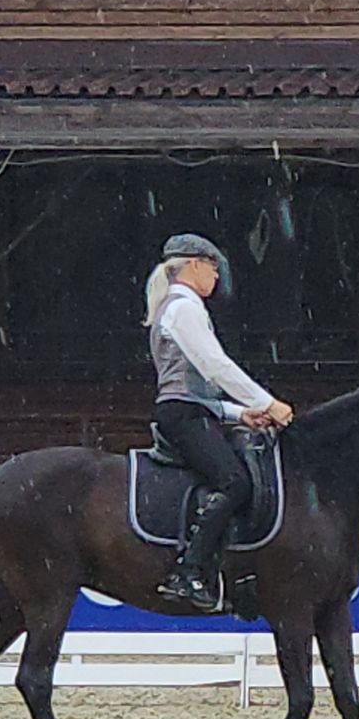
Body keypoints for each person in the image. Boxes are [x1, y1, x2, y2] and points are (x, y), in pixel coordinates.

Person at [143, 233, 295, 611]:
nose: (216, 277)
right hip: (184, 415)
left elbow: (195, 385)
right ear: (195, 264)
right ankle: (188, 571)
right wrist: (266, 402)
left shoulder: (177, 307)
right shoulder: (184, 308)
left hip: (189, 409)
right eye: (213, 269)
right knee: (234, 481)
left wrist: (239, 414)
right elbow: (215, 367)